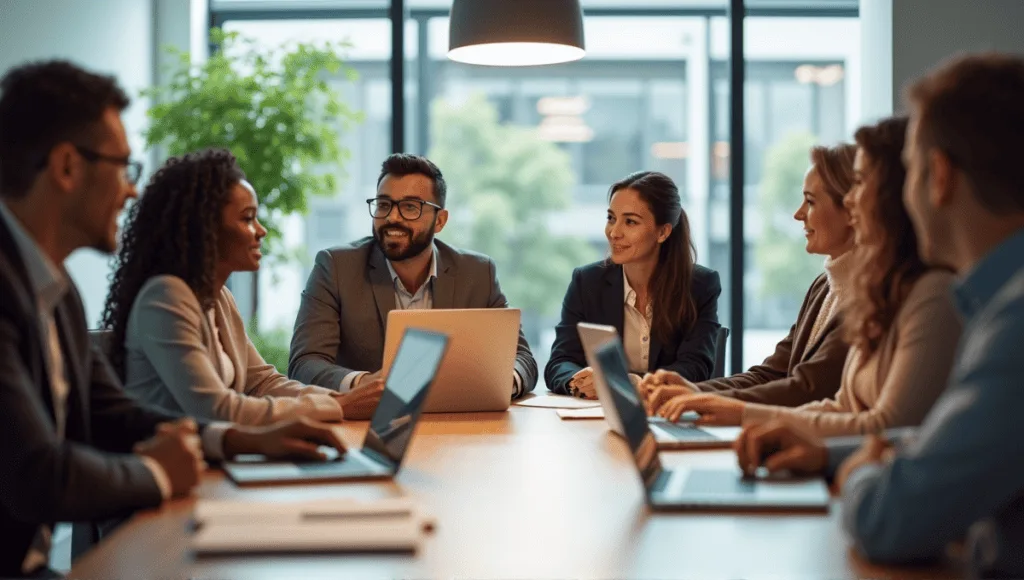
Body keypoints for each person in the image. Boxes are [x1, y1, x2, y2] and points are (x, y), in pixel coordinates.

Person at [0, 60, 345, 578]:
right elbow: (35, 475)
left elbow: (113, 415)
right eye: (124, 167)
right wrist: (160, 474)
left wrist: (238, 439)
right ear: (68, 167)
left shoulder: (56, 291)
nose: (132, 190)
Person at [734, 53, 1024, 577]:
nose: (855, 204)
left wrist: (862, 474)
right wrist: (834, 456)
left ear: (937, 177)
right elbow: (934, 445)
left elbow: (890, 519)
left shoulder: (1014, 322)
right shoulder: (991, 303)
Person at [649, 117, 962, 439]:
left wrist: (723, 406)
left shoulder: (920, 294)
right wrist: (699, 394)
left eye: (811, 201)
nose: (799, 213)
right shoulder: (831, 287)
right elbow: (786, 378)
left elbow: (814, 392)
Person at [101, 149, 384, 425]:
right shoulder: (165, 298)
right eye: (247, 218)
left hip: (218, 458)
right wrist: (339, 405)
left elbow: (262, 382)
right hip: (170, 463)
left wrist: (343, 399)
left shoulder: (219, 297)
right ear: (206, 229)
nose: (261, 231)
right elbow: (215, 408)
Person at [289, 153, 538, 398]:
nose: (392, 217)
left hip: (460, 423)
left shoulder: (477, 273)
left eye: (410, 207)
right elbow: (305, 363)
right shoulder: (336, 268)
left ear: (440, 221)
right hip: (367, 425)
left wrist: (505, 382)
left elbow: (522, 358)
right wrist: (363, 383)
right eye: (384, 205)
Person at [642, 144, 857, 408]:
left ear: (851, 209)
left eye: (810, 202)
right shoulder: (824, 286)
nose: (798, 214)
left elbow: (806, 389)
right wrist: (692, 391)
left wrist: (701, 399)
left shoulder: (866, 294)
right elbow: (771, 374)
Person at [545, 171, 721, 398]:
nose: (614, 232)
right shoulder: (587, 282)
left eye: (630, 222)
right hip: (598, 417)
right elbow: (560, 361)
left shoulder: (700, 285)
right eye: (611, 218)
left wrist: (638, 384)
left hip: (669, 414)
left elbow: (696, 367)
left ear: (663, 232)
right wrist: (578, 381)